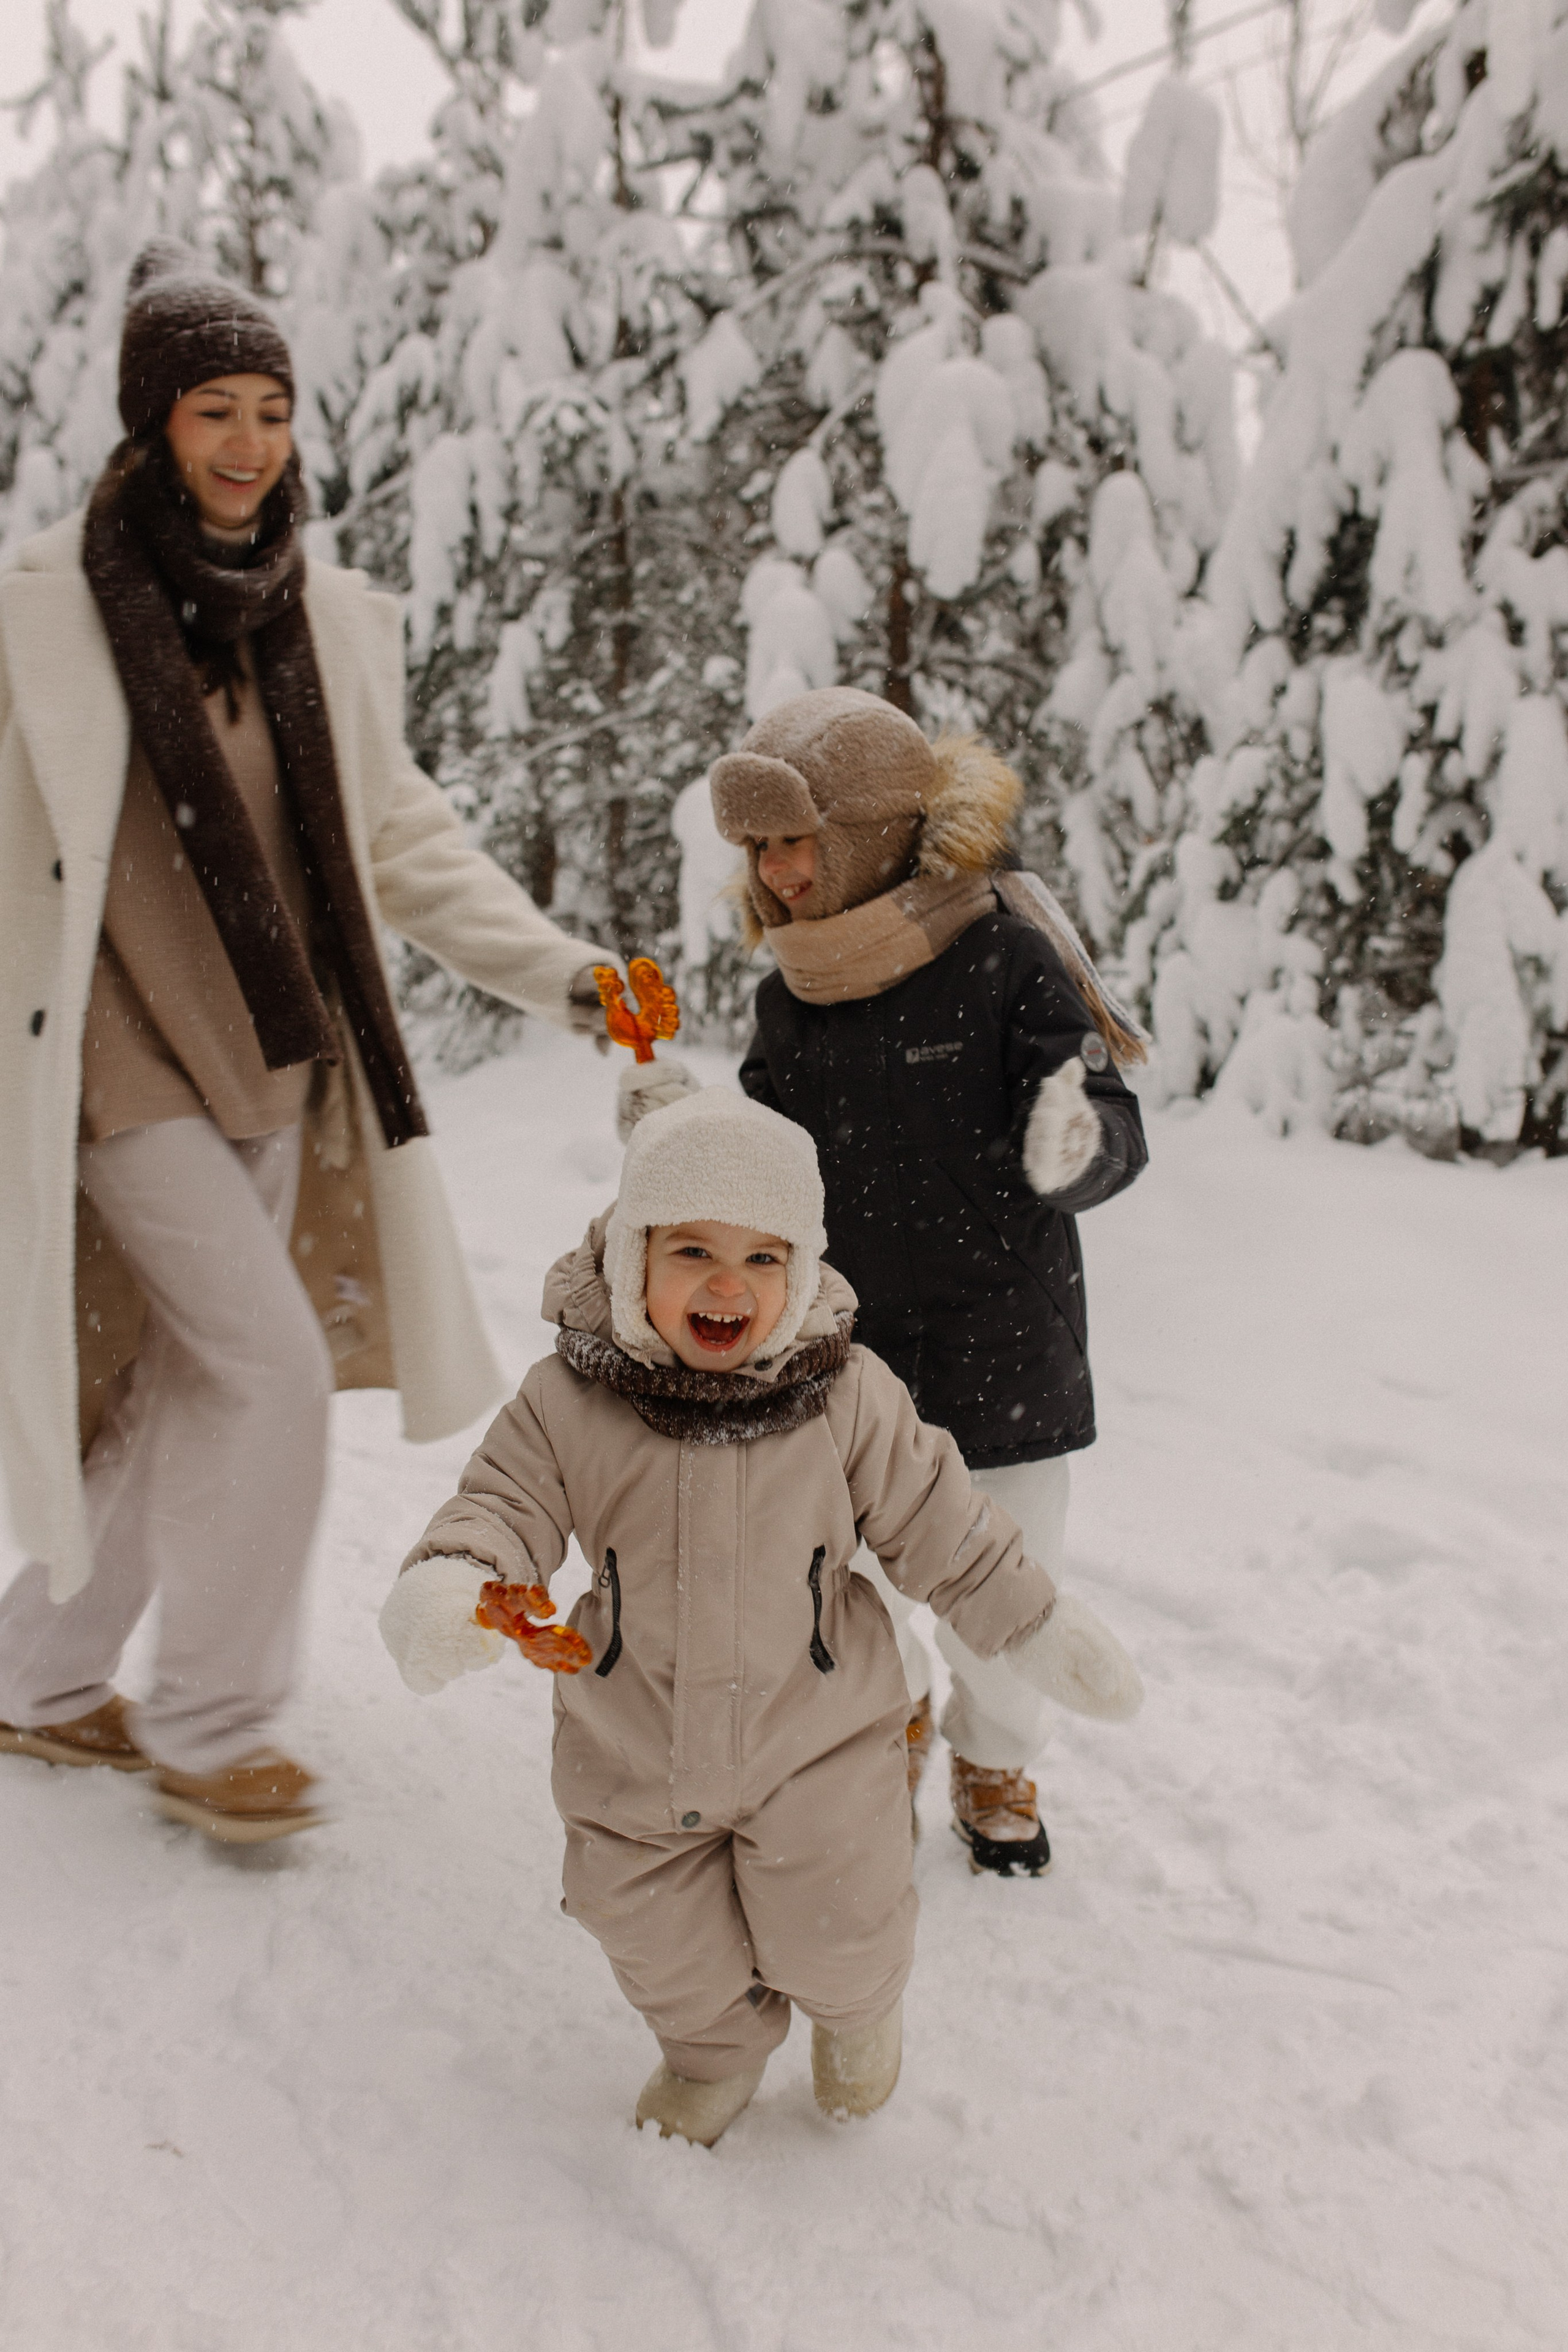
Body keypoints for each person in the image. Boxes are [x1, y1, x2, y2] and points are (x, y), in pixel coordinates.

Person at [0, 241, 612, 1843]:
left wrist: (565, 974)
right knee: (262, 1373)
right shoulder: (43, 611)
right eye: (216, 409)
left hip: (274, 1062)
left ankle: (39, 1680)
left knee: (184, 1388)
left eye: (273, 409)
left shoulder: (322, 617)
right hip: (116, 1064)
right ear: (153, 426)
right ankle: (214, 1727)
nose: (252, 442)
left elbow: (397, 833)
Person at [379, 1088, 1142, 2146]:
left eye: (764, 1257)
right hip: (630, 1746)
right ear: (631, 1257)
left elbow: (944, 1527)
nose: (729, 1284)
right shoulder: (570, 1401)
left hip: (816, 1739)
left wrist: (1036, 1626)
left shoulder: (848, 1397)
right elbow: (502, 1504)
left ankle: (859, 2013)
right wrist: (460, 1585)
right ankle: (710, 2056)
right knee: (652, 1934)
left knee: (841, 1921)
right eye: (692, 1249)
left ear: (803, 1271)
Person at [703, 687, 1148, 1878]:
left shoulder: (1002, 957)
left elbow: (1105, 1115)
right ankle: (880, 1720)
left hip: (1000, 1347)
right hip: (843, 1357)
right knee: (830, 1588)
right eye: (757, 848)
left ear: (866, 831)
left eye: (795, 840)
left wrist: (1074, 1141)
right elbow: (762, 1167)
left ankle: (992, 1755)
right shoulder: (788, 993)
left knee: (1001, 1596)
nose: (777, 872)